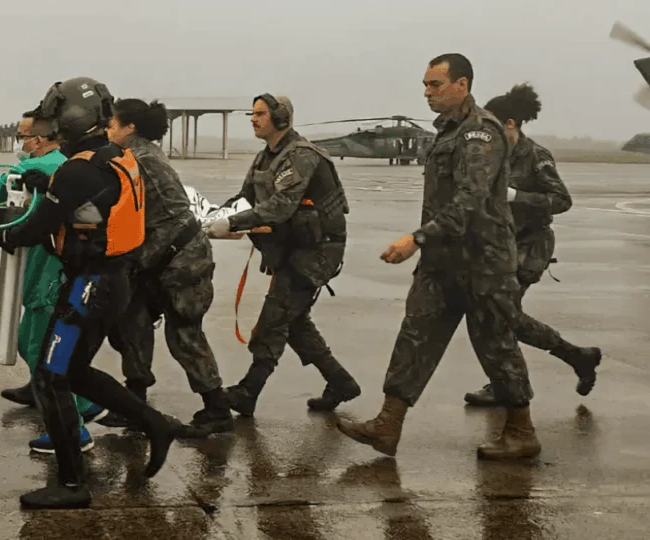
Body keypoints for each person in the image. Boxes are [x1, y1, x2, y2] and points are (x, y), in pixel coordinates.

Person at [336, 53, 541, 460]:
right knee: (415, 335)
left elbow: (471, 200)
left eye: (435, 84)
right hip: (443, 260)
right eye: (425, 85)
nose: (427, 92)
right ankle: (388, 424)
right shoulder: (448, 131)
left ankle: (522, 432)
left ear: (461, 85)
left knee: (496, 345)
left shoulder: (480, 133)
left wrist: (417, 239)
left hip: (483, 262)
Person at [0, 77, 176, 509]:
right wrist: (46, 186)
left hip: (89, 287)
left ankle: (72, 483)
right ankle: (155, 423)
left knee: (50, 376)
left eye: (54, 117)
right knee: (72, 372)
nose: (49, 125)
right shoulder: (114, 156)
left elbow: (31, 230)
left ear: (71, 119)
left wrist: (4, 227)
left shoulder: (78, 170)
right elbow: (90, 205)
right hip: (112, 282)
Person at [207, 94, 360, 417]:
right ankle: (341, 382)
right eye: (252, 114)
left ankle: (248, 391)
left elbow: (280, 207)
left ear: (280, 119)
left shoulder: (301, 156)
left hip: (316, 251)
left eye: (260, 114)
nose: (253, 119)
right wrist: (214, 216)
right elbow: (246, 198)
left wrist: (233, 222)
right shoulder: (265, 157)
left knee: (274, 321)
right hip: (292, 249)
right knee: (295, 323)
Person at [102, 98, 234, 437]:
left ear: (130, 128)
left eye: (113, 125)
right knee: (132, 324)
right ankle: (135, 403)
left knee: (184, 335)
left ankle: (217, 408)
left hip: (182, 260)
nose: (108, 130)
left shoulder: (139, 160)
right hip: (155, 258)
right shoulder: (140, 154)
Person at [462, 84, 601, 407]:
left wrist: (517, 196)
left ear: (510, 124)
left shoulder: (535, 156)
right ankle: (575, 357)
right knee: (496, 316)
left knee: (501, 313)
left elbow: (561, 200)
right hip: (499, 244)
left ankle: (509, 386)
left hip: (530, 245)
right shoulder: (490, 155)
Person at [0, 114, 109, 453]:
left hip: (50, 277)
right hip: (45, 273)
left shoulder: (48, 168)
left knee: (44, 355)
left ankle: (73, 431)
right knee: (28, 342)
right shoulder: (59, 168)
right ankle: (84, 404)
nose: (20, 144)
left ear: (38, 140)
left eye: (22, 136)